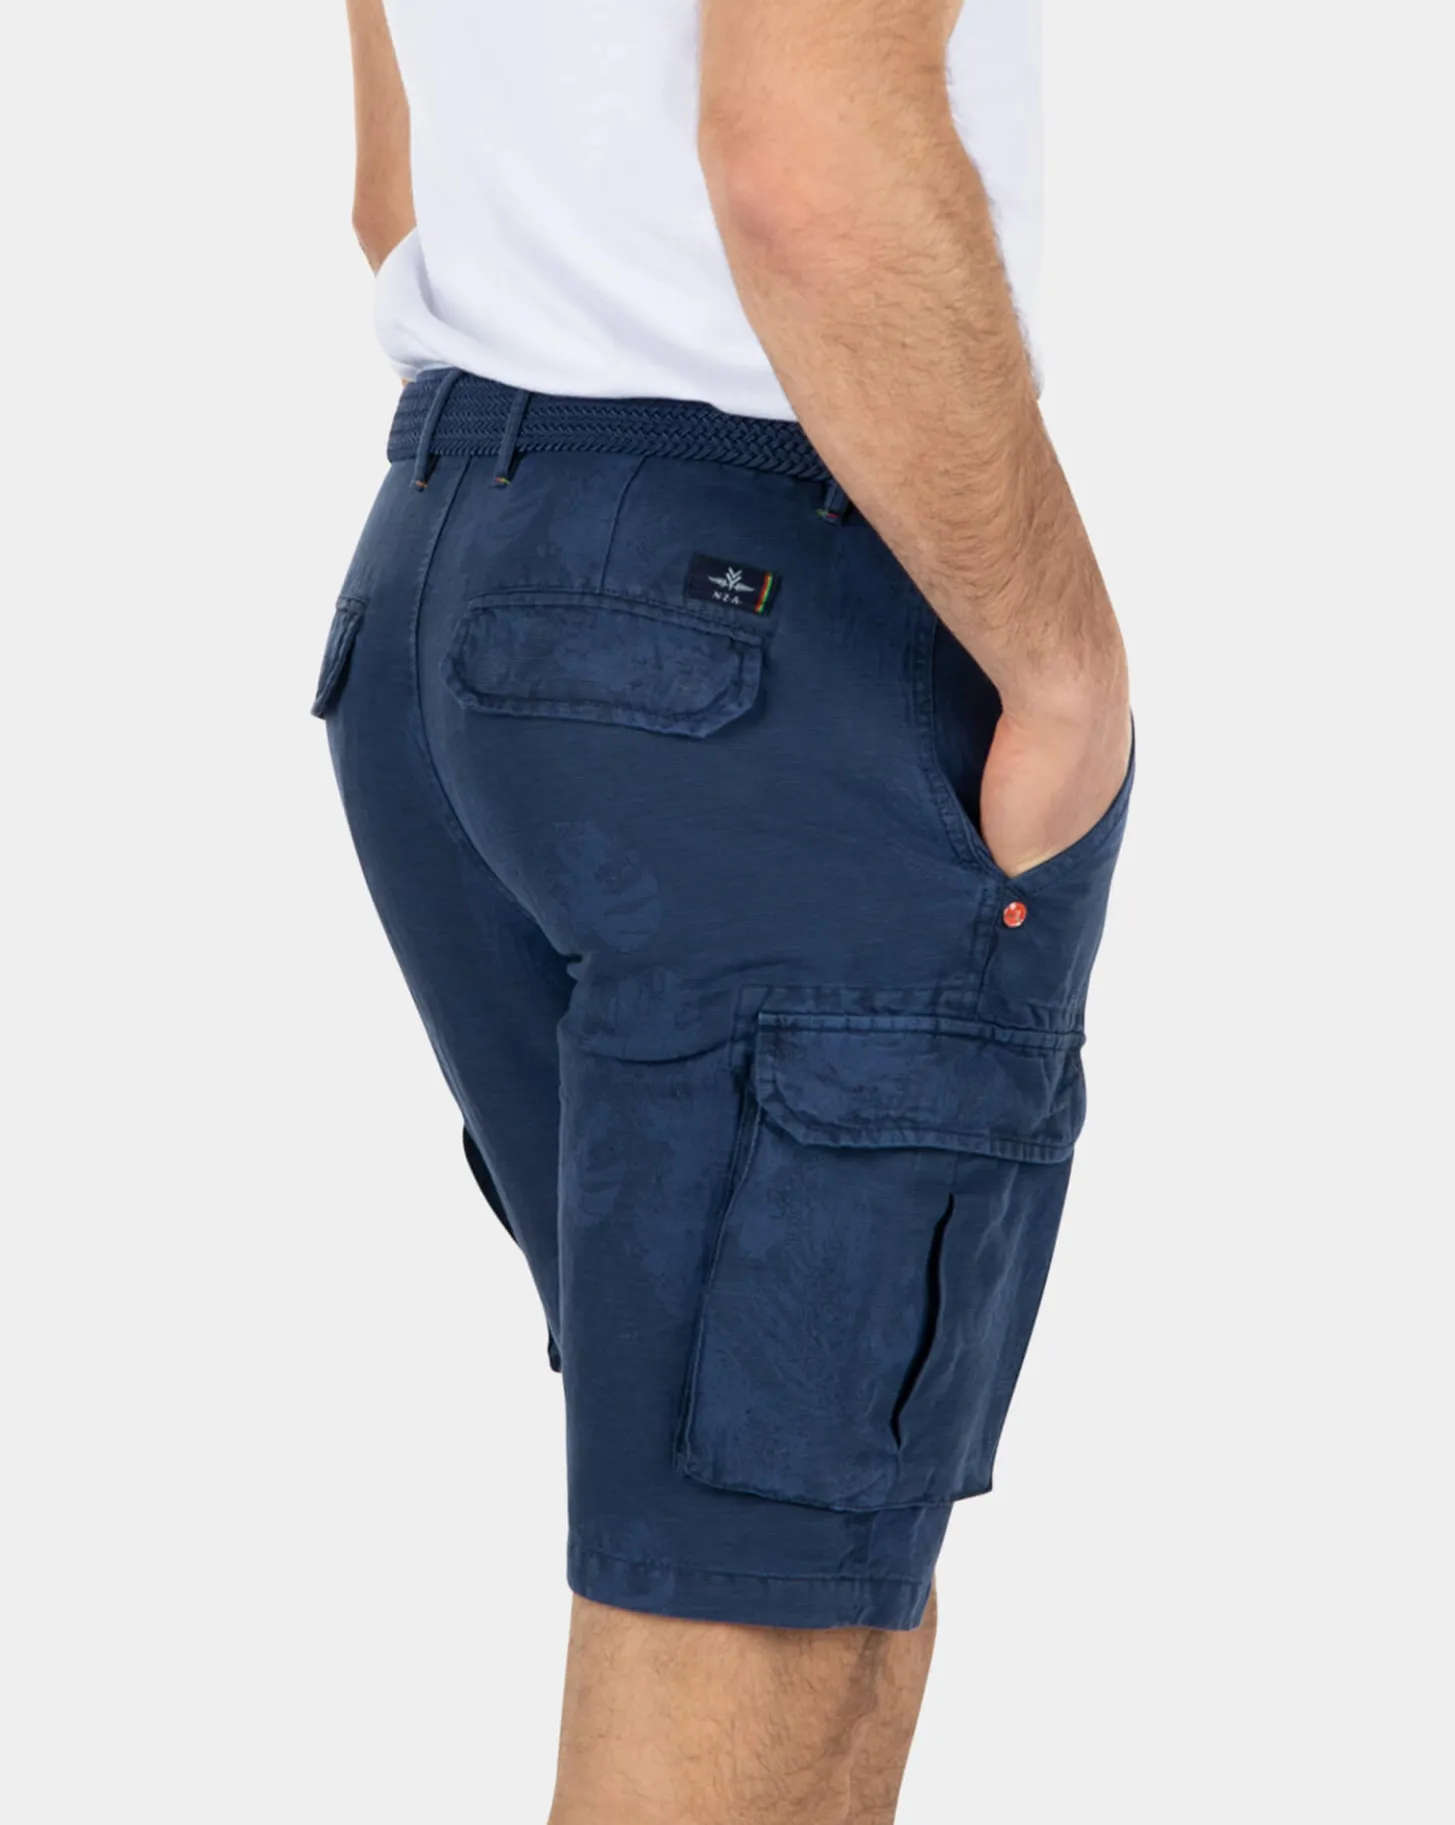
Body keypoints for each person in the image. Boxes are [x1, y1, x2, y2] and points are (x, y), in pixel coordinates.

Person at [318, 2, 1133, 1819]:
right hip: (757, 631)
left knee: (813, 1547)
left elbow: (398, 184)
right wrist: (1064, 669)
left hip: (462, 567)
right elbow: (804, 172)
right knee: (751, 1592)